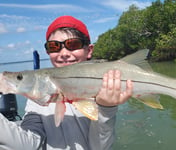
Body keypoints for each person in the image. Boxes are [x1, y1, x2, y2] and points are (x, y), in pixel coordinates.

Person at [0, 15, 133, 150]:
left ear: (89, 50)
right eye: (54, 46)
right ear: (48, 52)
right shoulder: (37, 99)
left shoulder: (105, 88)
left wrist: (106, 109)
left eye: (73, 44)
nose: (64, 53)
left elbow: (100, 147)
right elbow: (29, 145)